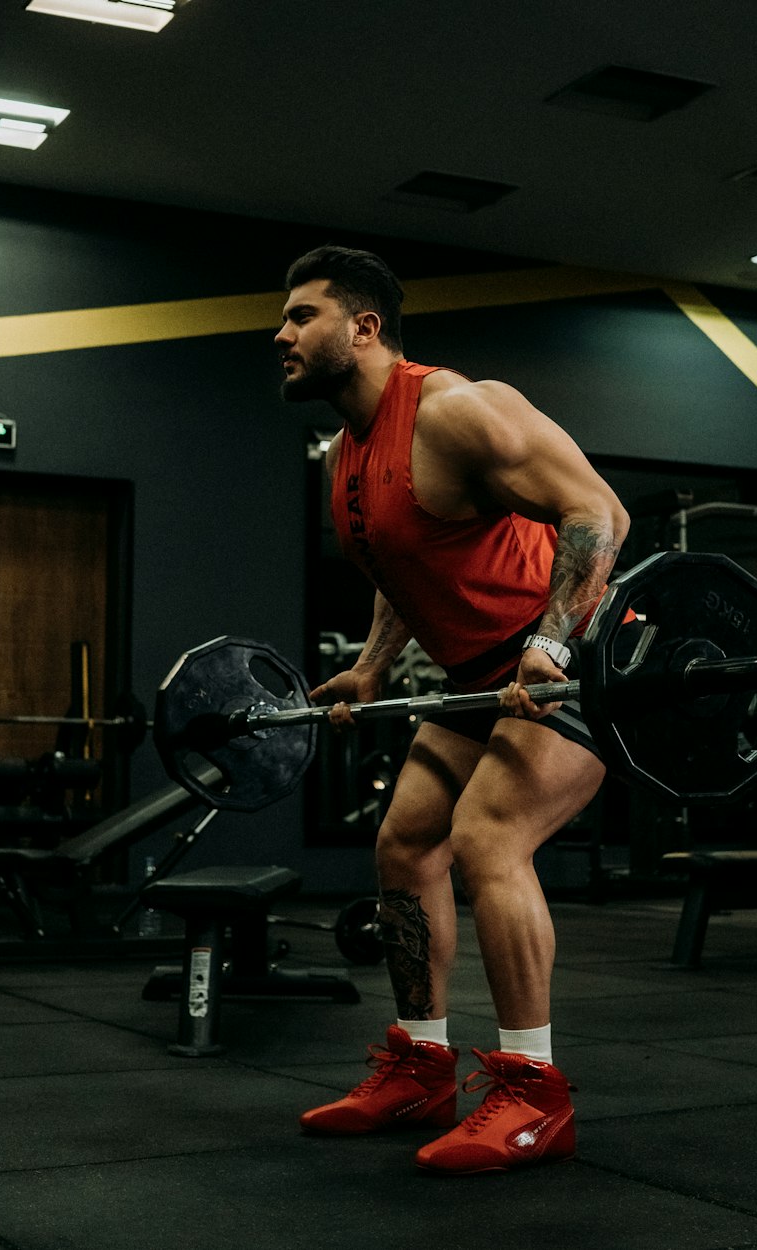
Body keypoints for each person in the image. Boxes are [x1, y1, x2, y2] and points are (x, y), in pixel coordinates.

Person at [274, 245, 632, 1176]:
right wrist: (372, 666)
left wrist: (551, 643)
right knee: (404, 843)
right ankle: (423, 1064)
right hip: (481, 669)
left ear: (365, 327)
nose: (281, 335)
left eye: (302, 316)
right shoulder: (346, 458)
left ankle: (533, 1093)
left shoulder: (458, 410)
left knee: (487, 839)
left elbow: (596, 511)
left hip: (582, 653)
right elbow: (407, 567)